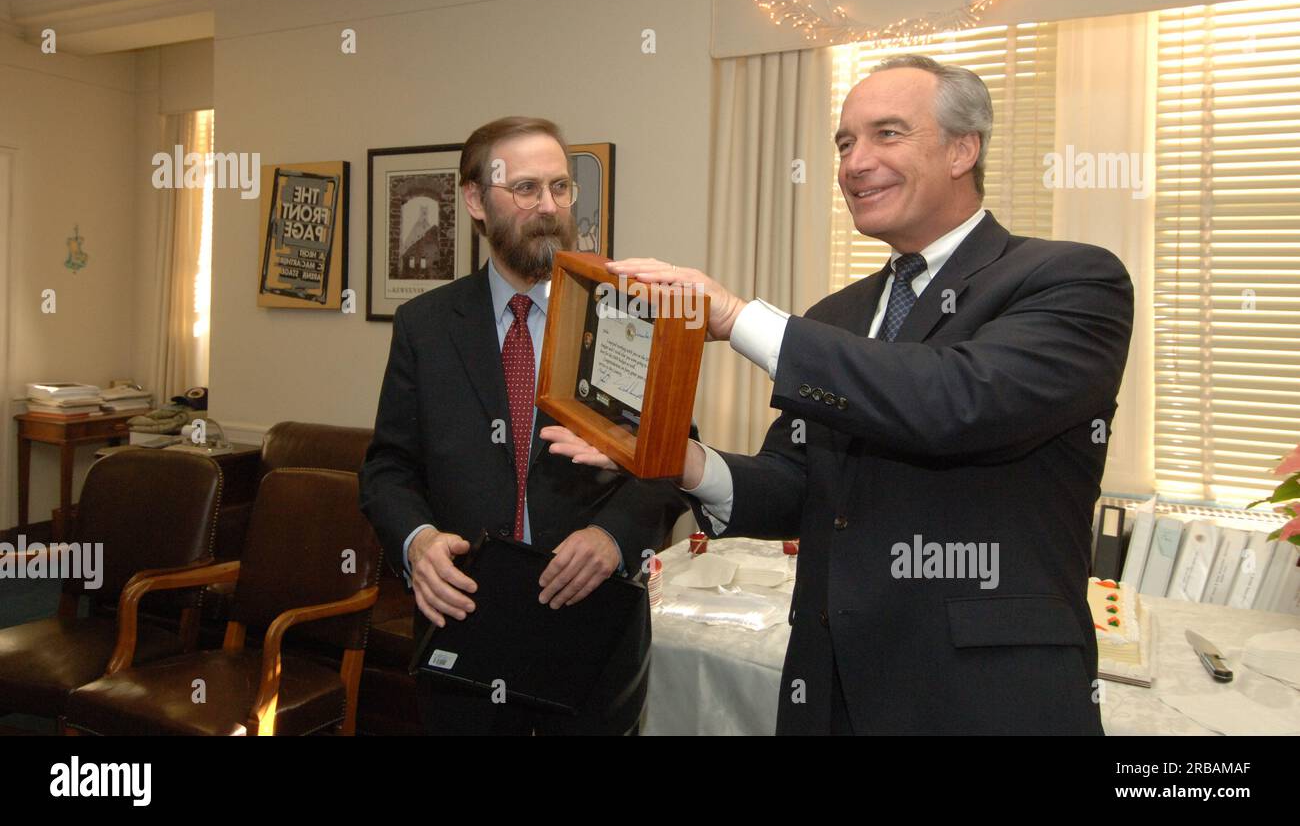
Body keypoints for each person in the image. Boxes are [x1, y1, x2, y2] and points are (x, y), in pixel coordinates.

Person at [543, 55, 1134, 734]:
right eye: (845, 142)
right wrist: (675, 457)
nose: (855, 162)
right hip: (828, 692)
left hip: (985, 696)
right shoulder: (835, 315)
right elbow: (796, 486)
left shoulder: (1069, 280)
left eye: (886, 134)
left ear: (962, 149)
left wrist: (737, 318)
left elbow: (950, 403)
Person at [361, 116, 685, 735]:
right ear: (476, 200)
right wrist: (417, 541)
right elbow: (387, 468)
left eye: (560, 188)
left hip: (594, 623)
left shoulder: (624, 311)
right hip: (466, 615)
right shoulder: (425, 327)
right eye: (527, 189)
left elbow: (673, 457)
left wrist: (614, 538)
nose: (548, 207)